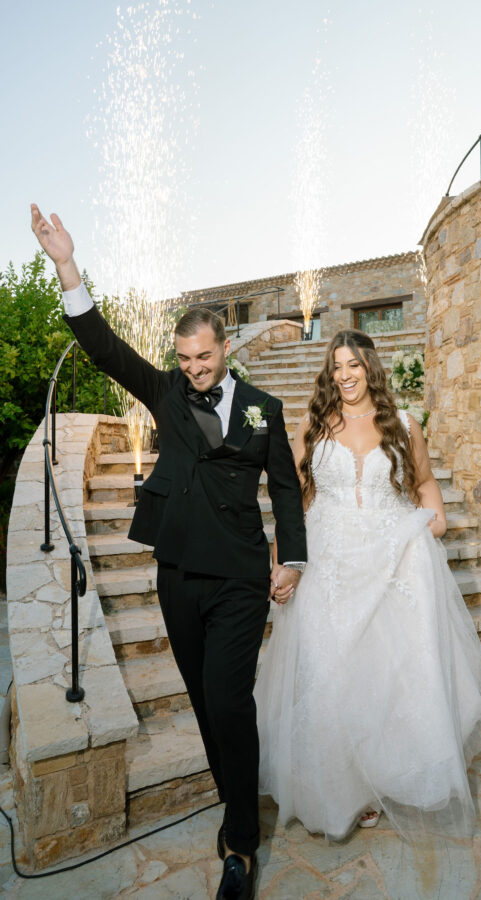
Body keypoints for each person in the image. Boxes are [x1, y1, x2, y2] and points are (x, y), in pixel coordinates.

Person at [31, 204, 306, 900]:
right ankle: (235, 803)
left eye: (205, 358)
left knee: (228, 699)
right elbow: (103, 347)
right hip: (177, 574)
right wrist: (67, 265)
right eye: (184, 360)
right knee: (205, 703)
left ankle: (240, 843)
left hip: (242, 579)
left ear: (226, 350)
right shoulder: (166, 393)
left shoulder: (263, 410)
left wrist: (291, 561)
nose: (194, 370)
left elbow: (287, 492)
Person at [256, 328, 481, 840]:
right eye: (338, 367)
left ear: (371, 368)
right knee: (330, 673)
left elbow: (425, 482)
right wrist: (284, 560)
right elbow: (292, 497)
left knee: (386, 676)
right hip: (328, 563)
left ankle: (384, 777)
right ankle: (342, 789)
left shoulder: (404, 424)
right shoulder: (312, 425)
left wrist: (431, 517)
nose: (346, 376)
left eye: (355, 366)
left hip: (391, 560)